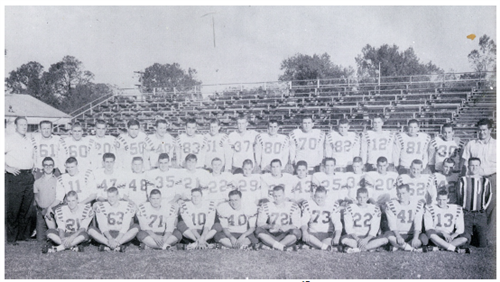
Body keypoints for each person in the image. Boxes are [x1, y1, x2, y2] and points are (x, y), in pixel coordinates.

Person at [5, 117, 37, 244]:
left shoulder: (28, 140)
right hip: (16, 175)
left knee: (26, 207)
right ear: (16, 126)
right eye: (21, 124)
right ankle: (11, 238)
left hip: (28, 175)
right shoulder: (9, 139)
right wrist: (7, 168)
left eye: (25, 124)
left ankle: (22, 235)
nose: (24, 127)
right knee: (14, 207)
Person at [460, 118, 496, 226]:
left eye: (484, 130)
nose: (482, 132)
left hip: (493, 177)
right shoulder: (471, 144)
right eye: (479, 130)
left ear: (490, 130)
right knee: (475, 206)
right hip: (476, 179)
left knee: (493, 207)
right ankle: (475, 234)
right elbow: (465, 162)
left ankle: (490, 239)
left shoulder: (497, 144)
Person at [88, 187, 139, 252]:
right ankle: (115, 246)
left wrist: (117, 239)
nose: (111, 199)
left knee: (136, 228)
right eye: (109, 197)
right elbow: (102, 225)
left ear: (118, 196)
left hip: (121, 234)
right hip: (107, 234)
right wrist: (110, 238)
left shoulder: (126, 205)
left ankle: (111, 245)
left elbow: (125, 225)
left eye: (113, 196)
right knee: (90, 230)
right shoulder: (102, 206)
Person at [456, 157, 493, 248]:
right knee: (464, 244)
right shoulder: (462, 180)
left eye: (476, 165)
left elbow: (489, 195)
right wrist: (463, 208)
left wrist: (483, 207)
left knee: (482, 245)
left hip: (480, 214)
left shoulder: (485, 181)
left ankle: (477, 235)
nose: (474, 167)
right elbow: (459, 195)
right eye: (472, 165)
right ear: (468, 167)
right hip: (466, 213)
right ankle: (468, 234)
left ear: (480, 167)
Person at [255, 185, 302, 251]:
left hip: (285, 234)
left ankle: (274, 246)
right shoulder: (267, 206)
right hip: (271, 234)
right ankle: (281, 246)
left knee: (297, 232)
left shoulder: (292, 205)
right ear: (272, 196)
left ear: (284, 195)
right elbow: (260, 223)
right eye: (275, 196)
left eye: (279, 196)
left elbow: (297, 224)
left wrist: (288, 227)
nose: (277, 198)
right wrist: (270, 226)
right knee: (258, 230)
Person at [341, 188, 388, 253]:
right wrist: (358, 239)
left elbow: (374, 228)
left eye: (364, 197)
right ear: (356, 198)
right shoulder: (350, 208)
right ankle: (370, 248)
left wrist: (366, 239)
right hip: (354, 237)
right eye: (360, 197)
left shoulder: (374, 208)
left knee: (385, 240)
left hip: (369, 237)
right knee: (344, 240)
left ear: (367, 198)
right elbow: (348, 228)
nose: (362, 199)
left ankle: (358, 249)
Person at [384, 184, 427, 252]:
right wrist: (398, 236)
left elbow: (417, 223)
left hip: (411, 234)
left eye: (403, 193)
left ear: (409, 193)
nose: (401, 196)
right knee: (388, 235)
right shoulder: (392, 204)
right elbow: (392, 224)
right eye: (399, 194)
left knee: (424, 237)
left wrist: (415, 238)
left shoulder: (417, 204)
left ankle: (399, 247)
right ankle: (411, 248)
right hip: (398, 234)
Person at [300, 186, 342, 251]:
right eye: (317, 197)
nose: (320, 200)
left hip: (327, 234)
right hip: (313, 234)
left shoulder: (332, 204)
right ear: (314, 196)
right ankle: (325, 247)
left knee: (327, 241)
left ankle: (315, 246)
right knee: (307, 236)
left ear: (326, 196)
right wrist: (304, 232)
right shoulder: (308, 204)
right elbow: (304, 221)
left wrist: (337, 236)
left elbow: (337, 222)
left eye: (322, 197)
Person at [33, 157, 58, 242]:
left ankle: (55, 232)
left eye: (50, 165)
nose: (48, 167)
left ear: (53, 166)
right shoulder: (37, 182)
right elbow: (36, 197)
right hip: (42, 211)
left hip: (54, 211)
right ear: (42, 167)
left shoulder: (58, 181)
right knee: (40, 239)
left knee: (54, 236)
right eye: (46, 165)